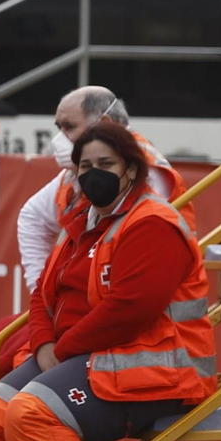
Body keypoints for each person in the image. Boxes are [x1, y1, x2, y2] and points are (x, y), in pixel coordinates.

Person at [0, 120, 217, 441]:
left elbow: (130, 310)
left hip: (159, 370)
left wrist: (58, 352)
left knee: (31, 411)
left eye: (106, 164)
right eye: (85, 165)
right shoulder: (79, 222)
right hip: (92, 357)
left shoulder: (154, 222)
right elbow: (43, 295)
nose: (93, 173)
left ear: (132, 170)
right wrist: (44, 344)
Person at [16, 88, 192, 295]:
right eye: (59, 127)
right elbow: (32, 217)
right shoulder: (73, 172)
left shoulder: (146, 168)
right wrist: (41, 288)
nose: (60, 139)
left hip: (155, 309)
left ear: (105, 123)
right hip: (96, 298)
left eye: (69, 127)